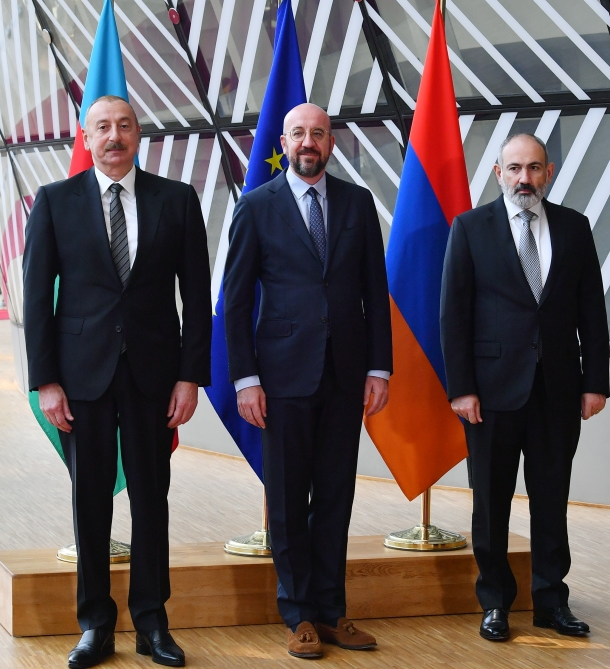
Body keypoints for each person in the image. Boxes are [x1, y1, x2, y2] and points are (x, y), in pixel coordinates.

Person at [22, 95, 211, 669]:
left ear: (137, 135)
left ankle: (152, 622)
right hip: (82, 379)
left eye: (124, 126)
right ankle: (95, 625)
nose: (114, 136)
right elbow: (37, 300)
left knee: (153, 500)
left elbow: (197, 296)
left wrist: (190, 376)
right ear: (87, 137)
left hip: (155, 377)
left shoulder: (176, 200)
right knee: (90, 503)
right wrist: (46, 381)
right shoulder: (54, 202)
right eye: (102, 127)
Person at [222, 103, 393, 659]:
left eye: (318, 133)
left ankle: (331, 611)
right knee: (289, 501)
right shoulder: (256, 206)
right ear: (284, 142)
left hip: (345, 376)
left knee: (337, 497)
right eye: (298, 133)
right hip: (281, 379)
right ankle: (298, 615)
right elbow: (236, 302)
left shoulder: (357, 203)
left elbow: (375, 291)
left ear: (331, 143)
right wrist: (245, 379)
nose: (308, 142)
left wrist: (379, 367)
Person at [440, 133, 609, 642]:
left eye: (534, 168)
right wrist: (461, 388)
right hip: (490, 393)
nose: (524, 178)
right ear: (499, 173)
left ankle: (551, 601)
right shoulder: (470, 228)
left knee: (551, 498)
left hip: (559, 388)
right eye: (514, 168)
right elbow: (453, 314)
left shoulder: (575, 227)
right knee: (491, 501)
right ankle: (495, 602)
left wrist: (595, 382)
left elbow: (592, 312)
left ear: (548, 172)